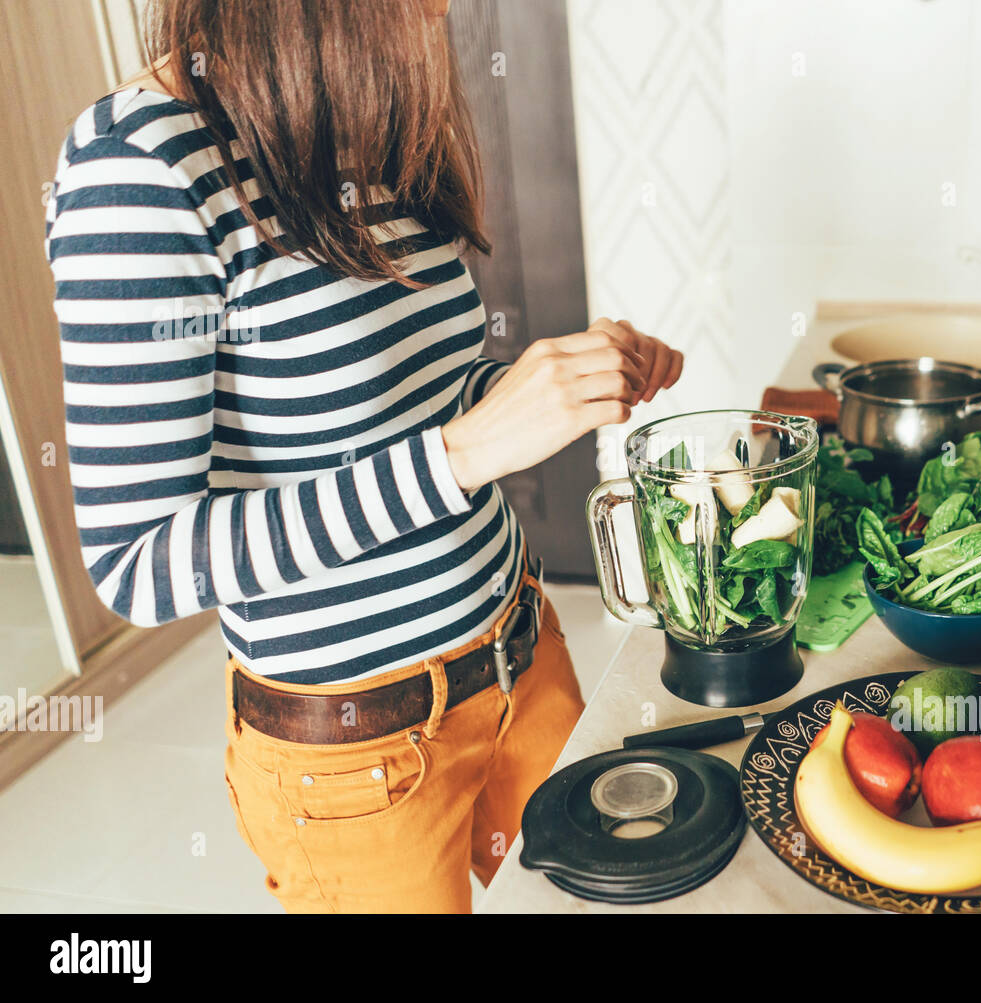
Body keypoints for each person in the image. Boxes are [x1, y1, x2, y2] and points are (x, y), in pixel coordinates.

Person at [44, 0, 683, 913]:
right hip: (359, 762)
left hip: (522, 662)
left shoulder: (350, 102)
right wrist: (462, 453)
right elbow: (137, 561)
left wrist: (553, 389)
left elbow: (410, 407)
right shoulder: (137, 168)